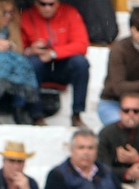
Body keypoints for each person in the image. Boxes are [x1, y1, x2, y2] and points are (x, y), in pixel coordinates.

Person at [18, 0, 89, 128]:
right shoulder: (26, 16)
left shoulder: (70, 13)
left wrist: (53, 53)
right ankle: (36, 116)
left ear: (58, 3)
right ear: (35, 3)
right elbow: (17, 47)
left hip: (62, 65)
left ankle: (77, 114)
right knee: (31, 64)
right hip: (38, 66)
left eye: (51, 4)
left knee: (81, 63)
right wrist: (30, 50)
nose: (47, 8)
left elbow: (81, 45)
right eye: (42, 4)